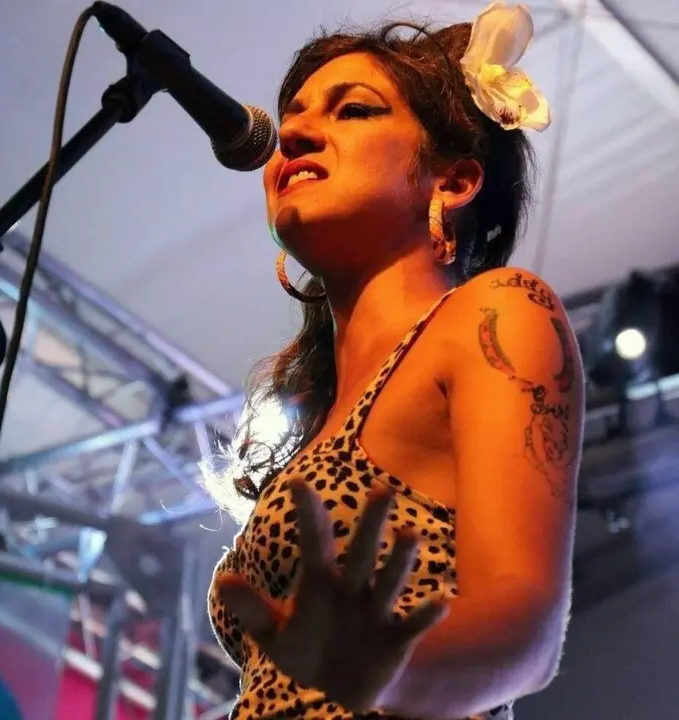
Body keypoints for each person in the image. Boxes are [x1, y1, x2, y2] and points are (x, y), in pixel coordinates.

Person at [206, 2, 584, 718]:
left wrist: (385, 670)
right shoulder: (317, 417)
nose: (292, 134)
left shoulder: (499, 313)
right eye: (292, 116)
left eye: (353, 110)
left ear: (453, 181)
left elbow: (526, 638)